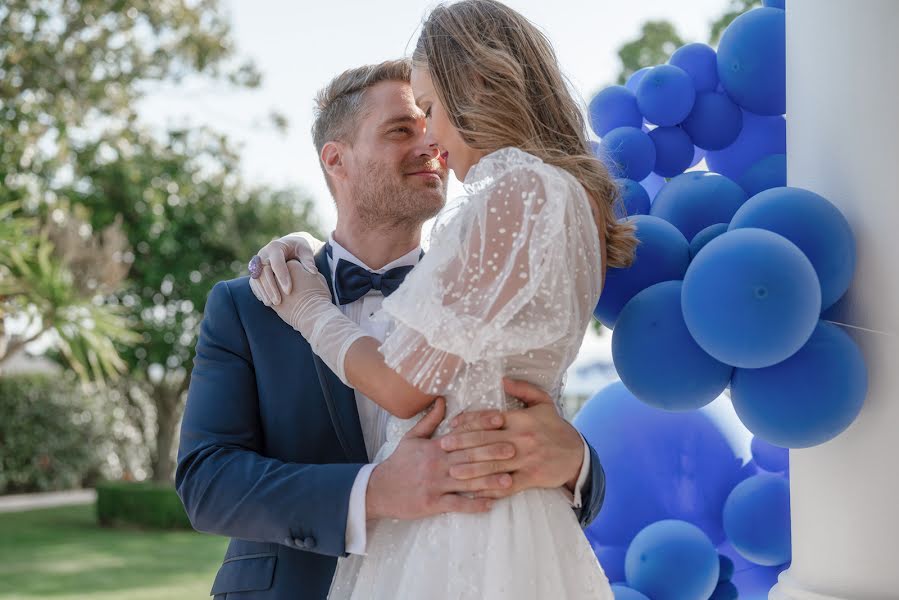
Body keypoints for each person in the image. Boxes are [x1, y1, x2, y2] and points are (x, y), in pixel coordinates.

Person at [178, 45, 609, 600]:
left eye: (432, 120)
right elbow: (207, 482)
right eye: (403, 128)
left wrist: (576, 462)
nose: (431, 142)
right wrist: (373, 492)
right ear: (336, 160)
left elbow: (529, 413)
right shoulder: (252, 302)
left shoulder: (496, 284)